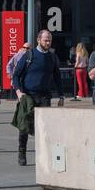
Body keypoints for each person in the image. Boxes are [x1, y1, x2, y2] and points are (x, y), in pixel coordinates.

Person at [11, 29, 65, 166]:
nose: (48, 42)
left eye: (50, 40)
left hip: (45, 96)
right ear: (38, 40)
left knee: (44, 128)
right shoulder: (29, 55)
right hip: (27, 96)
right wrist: (18, 92)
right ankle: (22, 152)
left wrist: (61, 96)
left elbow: (57, 77)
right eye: (45, 40)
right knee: (24, 126)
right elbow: (16, 75)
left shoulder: (52, 57)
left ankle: (43, 155)